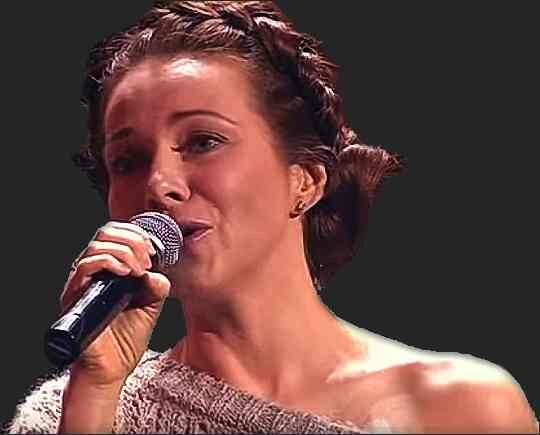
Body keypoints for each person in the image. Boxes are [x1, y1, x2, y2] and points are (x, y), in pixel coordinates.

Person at [6, 1, 538, 433]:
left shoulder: (462, 409)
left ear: (305, 180)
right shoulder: (66, 415)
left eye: (203, 141)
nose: (158, 182)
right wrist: (94, 394)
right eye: (127, 161)